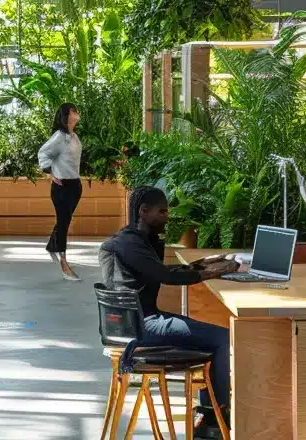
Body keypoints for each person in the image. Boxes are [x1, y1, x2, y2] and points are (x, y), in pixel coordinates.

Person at [99, 186, 237, 439]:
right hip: (141, 328)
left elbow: (155, 269)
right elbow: (164, 276)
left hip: (135, 324)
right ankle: (213, 420)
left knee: (210, 334)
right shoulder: (129, 243)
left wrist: (202, 264)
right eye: (162, 212)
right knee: (222, 338)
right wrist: (218, 271)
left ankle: (209, 417)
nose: (167, 217)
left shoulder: (134, 240)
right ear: (143, 211)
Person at [39, 103, 84, 281]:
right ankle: (64, 264)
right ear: (66, 116)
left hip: (74, 184)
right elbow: (43, 153)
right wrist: (50, 172)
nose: (76, 113)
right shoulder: (59, 137)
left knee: (64, 219)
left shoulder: (73, 137)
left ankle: (52, 245)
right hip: (62, 186)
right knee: (64, 223)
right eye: (73, 111)